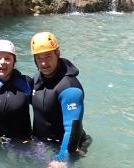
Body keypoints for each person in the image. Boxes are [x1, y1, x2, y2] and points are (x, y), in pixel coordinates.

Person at [30, 32, 86, 168]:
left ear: (58, 53)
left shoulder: (70, 87)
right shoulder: (38, 78)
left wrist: (62, 157)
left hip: (67, 145)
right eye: (39, 58)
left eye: (48, 56)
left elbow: (72, 128)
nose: (43, 63)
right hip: (41, 143)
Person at [0, 39, 33, 139]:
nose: (2, 62)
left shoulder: (26, 83)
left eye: (7, 58)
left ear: (14, 62)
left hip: (22, 142)